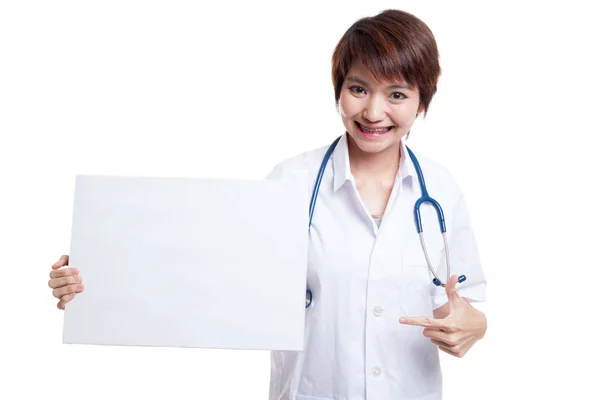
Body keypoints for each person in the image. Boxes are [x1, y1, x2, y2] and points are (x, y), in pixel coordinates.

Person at [48, 9, 487, 400]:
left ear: (422, 102)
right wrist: (98, 287)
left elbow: (463, 302)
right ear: (339, 90)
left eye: (396, 94)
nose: (373, 112)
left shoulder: (441, 191)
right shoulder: (289, 182)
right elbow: (207, 278)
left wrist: (473, 325)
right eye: (358, 88)